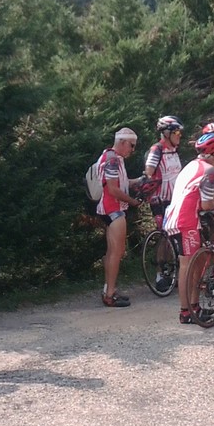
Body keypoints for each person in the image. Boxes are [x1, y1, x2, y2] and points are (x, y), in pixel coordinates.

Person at [162, 132, 214, 325]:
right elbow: (206, 204)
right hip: (186, 220)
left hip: (178, 218)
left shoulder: (192, 165)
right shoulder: (209, 171)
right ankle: (186, 311)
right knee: (187, 265)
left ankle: (194, 307)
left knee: (196, 263)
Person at [96, 128, 143, 307]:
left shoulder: (112, 157)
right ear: (122, 142)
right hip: (113, 209)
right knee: (117, 253)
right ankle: (110, 294)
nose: (132, 149)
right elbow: (113, 189)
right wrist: (132, 201)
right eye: (132, 145)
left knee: (112, 252)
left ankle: (109, 289)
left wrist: (138, 180)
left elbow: (120, 182)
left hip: (109, 209)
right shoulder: (113, 160)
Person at [143, 116, 184, 290]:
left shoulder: (174, 151)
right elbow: (148, 174)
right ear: (166, 133)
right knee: (164, 234)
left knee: (175, 236)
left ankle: (174, 273)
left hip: (175, 199)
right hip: (160, 199)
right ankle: (160, 274)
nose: (179, 136)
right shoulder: (156, 150)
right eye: (177, 132)